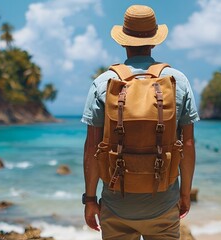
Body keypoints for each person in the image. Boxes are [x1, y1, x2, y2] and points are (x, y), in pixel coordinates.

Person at [81, 4, 199, 240]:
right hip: (164, 204)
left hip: (116, 207)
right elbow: (187, 145)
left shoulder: (103, 83)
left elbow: (92, 148)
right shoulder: (178, 81)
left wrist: (90, 199)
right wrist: (185, 194)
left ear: (123, 41)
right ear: (154, 41)